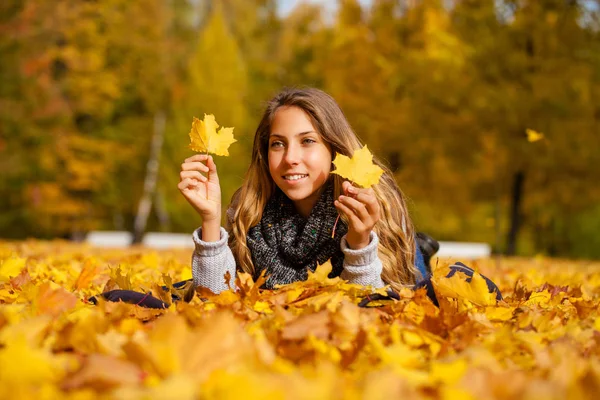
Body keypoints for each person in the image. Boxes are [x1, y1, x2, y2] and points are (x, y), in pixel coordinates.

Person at [178, 87, 430, 295]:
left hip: (401, 255)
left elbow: (373, 311)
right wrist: (210, 220)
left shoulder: (373, 204)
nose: (290, 158)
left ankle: (423, 247)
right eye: (278, 144)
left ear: (334, 148)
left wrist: (360, 243)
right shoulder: (250, 211)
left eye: (307, 141)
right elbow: (213, 300)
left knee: (421, 274)